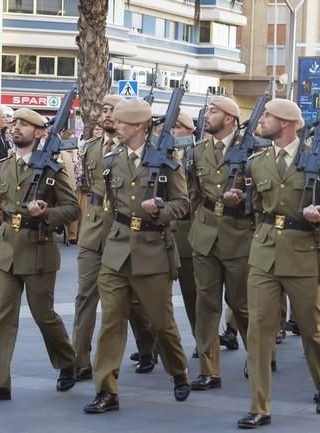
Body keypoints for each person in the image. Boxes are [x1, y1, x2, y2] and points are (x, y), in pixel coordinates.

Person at [236, 99, 320, 428]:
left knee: (312, 328)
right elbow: (255, 208)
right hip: (265, 253)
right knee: (259, 331)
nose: (261, 120)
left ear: (285, 123)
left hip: (302, 254)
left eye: (267, 116)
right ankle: (260, 406)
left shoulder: (317, 159)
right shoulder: (257, 162)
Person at [83, 99, 191, 414]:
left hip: (152, 249)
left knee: (161, 322)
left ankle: (178, 370)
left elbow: (183, 203)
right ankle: (106, 390)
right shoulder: (111, 159)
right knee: (111, 322)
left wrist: (162, 210)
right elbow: (106, 207)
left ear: (141, 126)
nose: (116, 126)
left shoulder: (167, 160)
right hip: (116, 250)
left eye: (124, 123)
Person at [0, 108, 80, 402]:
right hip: (7, 248)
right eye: (15, 122)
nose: (16, 128)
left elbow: (72, 209)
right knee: (2, 317)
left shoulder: (53, 169)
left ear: (40, 133)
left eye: (25, 124)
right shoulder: (3, 167)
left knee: (44, 315)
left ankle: (68, 361)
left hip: (38, 247)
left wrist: (47, 213)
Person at [72, 95, 157, 381]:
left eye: (114, 111)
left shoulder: (139, 151)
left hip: (124, 232)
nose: (108, 115)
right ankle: (80, 361)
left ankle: (147, 347)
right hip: (95, 229)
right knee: (86, 296)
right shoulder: (91, 148)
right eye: (105, 110)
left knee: (130, 301)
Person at [187, 95, 251, 391]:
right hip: (205, 234)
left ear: (229, 118)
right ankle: (208, 369)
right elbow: (193, 192)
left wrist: (242, 201)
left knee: (242, 304)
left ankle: (260, 356)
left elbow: (262, 197)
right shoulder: (198, 151)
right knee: (206, 303)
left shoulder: (250, 151)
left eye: (212, 111)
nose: (206, 115)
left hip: (238, 234)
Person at [170, 111, 198, 353]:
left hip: (187, 232)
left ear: (189, 132)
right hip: (162, 233)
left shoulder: (194, 157)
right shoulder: (161, 155)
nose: (172, 132)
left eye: (177, 127)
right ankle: (155, 347)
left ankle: (202, 340)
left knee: (192, 295)